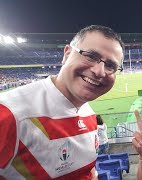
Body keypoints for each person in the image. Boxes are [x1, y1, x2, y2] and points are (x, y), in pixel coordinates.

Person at [0, 25, 124, 179]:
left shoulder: (88, 113)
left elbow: (88, 173)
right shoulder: (9, 112)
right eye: (90, 56)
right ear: (67, 53)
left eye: (111, 65)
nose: (99, 71)